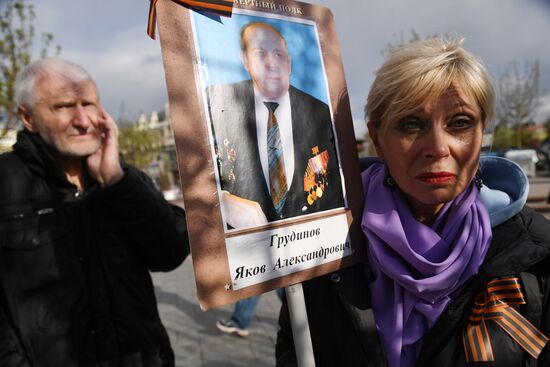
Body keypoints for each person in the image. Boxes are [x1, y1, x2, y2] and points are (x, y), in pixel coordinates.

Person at [276, 38, 550, 367]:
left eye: (460, 123)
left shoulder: (533, 252)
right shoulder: (326, 238)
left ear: (482, 133)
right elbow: (296, 342)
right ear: (377, 139)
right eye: (412, 124)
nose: (438, 147)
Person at [0, 58, 189, 366]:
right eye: (62, 107)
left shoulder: (122, 178)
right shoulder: (6, 183)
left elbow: (170, 252)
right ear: (28, 117)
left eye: (89, 104)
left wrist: (117, 181)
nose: (82, 120)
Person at [207, 21, 344, 229]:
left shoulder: (320, 113)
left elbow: (335, 190)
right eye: (260, 53)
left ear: (289, 63)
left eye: (278, 55)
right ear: (244, 59)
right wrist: (222, 201)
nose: (271, 63)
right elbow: (196, 178)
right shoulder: (216, 103)